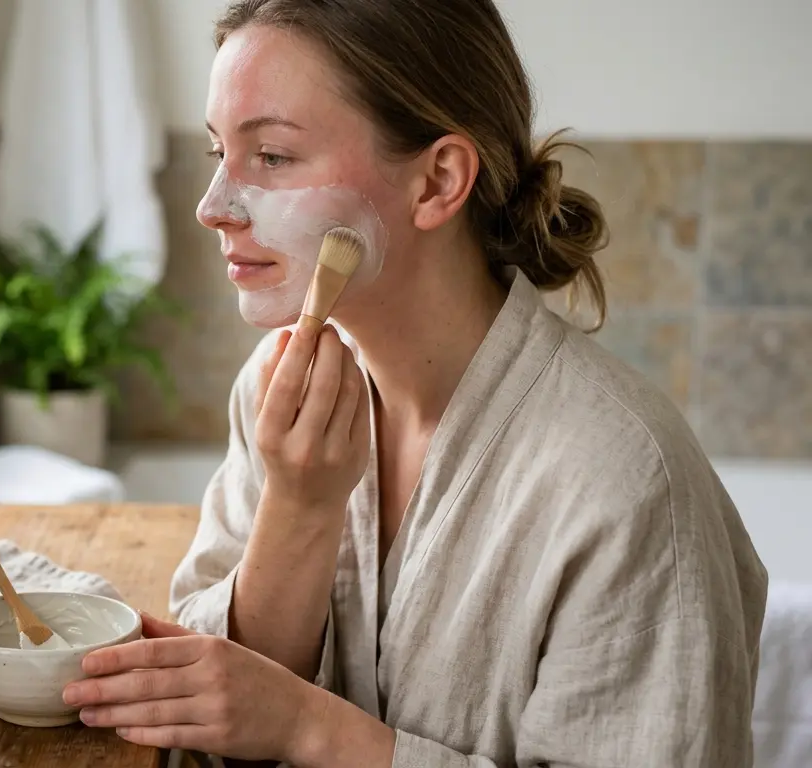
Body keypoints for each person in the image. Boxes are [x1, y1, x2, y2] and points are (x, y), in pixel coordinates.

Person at [60, 0, 769, 766]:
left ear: (436, 181)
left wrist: (311, 729)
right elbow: (213, 710)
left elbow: (273, 716)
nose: (213, 207)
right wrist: (298, 509)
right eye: (216, 155)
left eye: (271, 156)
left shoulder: (626, 482)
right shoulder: (277, 396)